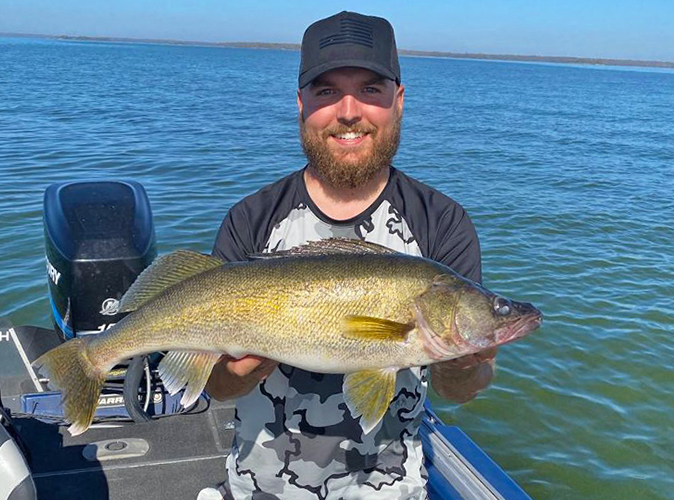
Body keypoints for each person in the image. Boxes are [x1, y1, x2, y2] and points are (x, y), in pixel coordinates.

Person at [205, 11, 496, 500]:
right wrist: (235, 374)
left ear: (398, 101)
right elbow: (216, 387)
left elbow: (456, 391)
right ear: (301, 103)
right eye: (326, 91)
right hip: (261, 488)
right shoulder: (251, 219)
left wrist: (463, 364)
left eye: (370, 90)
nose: (348, 111)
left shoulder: (442, 223)